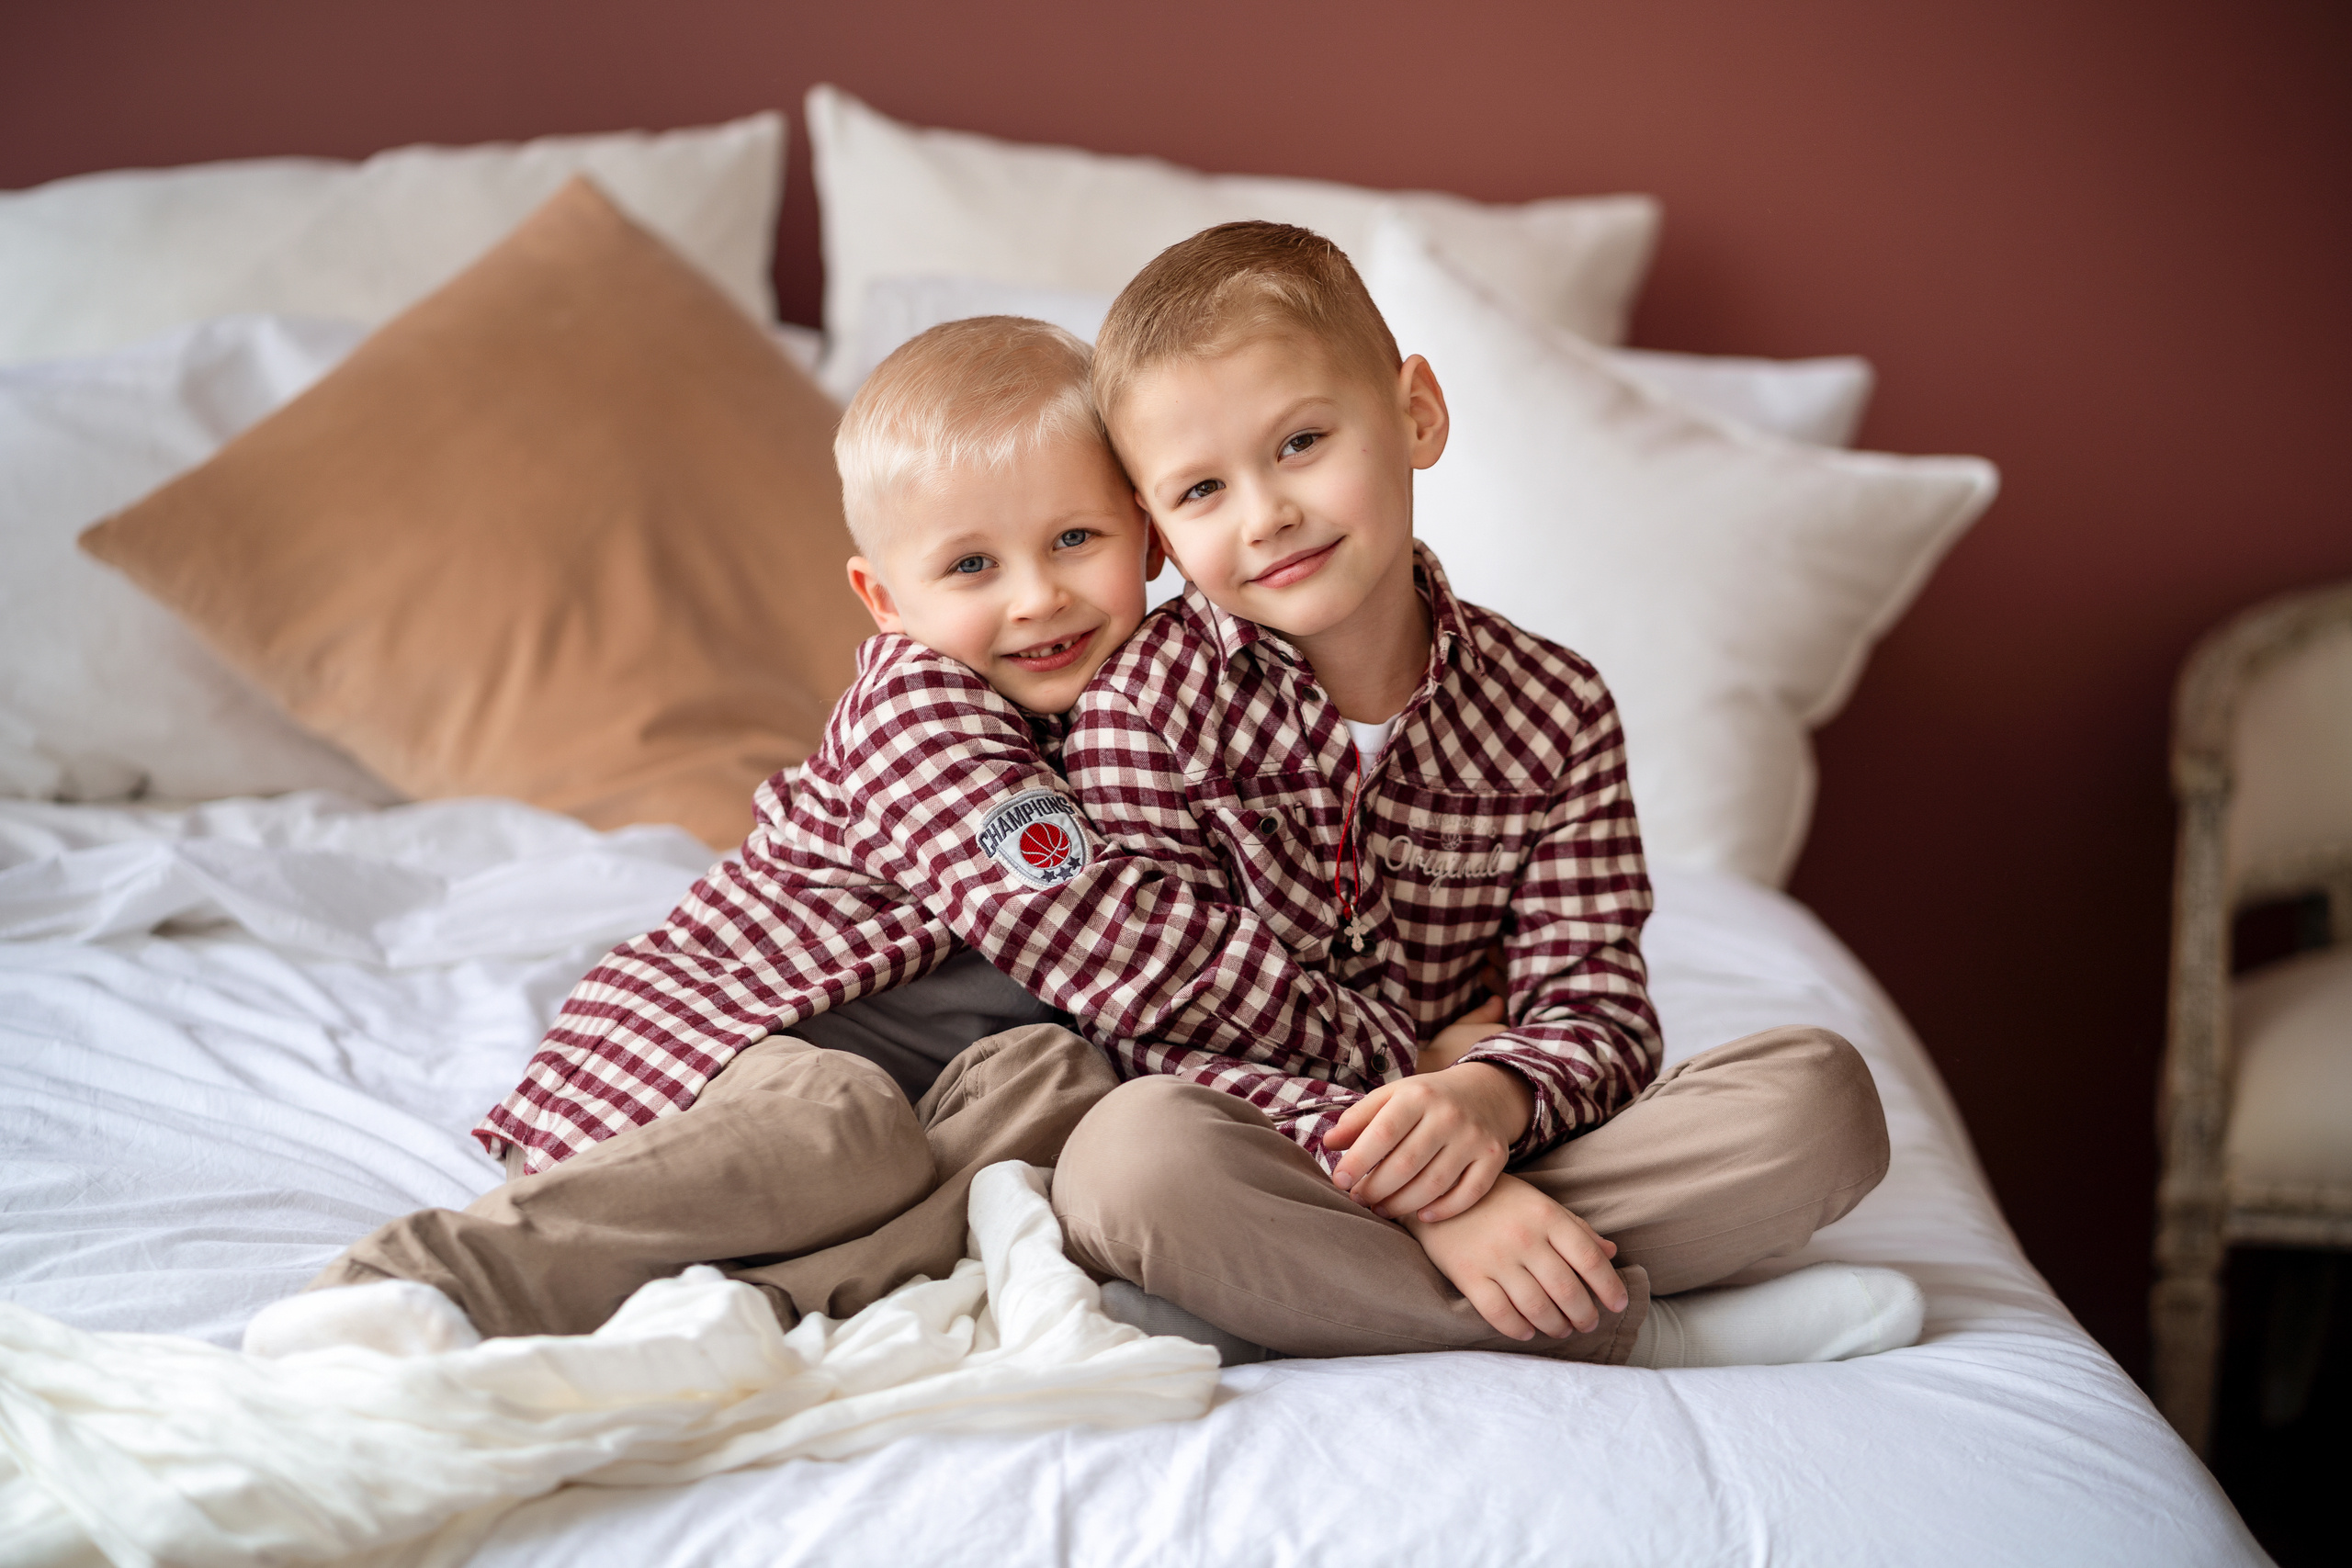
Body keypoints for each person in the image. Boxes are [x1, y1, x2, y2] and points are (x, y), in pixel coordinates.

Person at [245, 315, 1475, 1356]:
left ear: (1148, 538)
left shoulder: (1168, 700)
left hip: (934, 1080)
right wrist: (1378, 1047)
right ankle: (422, 1281)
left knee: (1072, 1084)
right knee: (841, 1124)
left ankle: (756, 1307)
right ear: (885, 597)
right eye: (971, 564)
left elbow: (1268, 893)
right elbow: (1094, 929)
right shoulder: (919, 708)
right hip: (731, 1030)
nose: (1036, 595)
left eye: (1074, 540)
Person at [1042, 220, 1921, 1370]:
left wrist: (1488, 1103)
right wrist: (1434, 1187)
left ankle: (1276, 1301)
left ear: (1415, 414)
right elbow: (1154, 1036)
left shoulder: (1556, 708)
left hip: (1494, 1138)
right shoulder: (1137, 711)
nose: (1264, 515)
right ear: (1158, 535)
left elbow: (1596, 1014)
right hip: (1267, 1143)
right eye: (1202, 489)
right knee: (1129, 1160)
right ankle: (1639, 1324)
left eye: (1302, 440)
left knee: (1818, 1102)